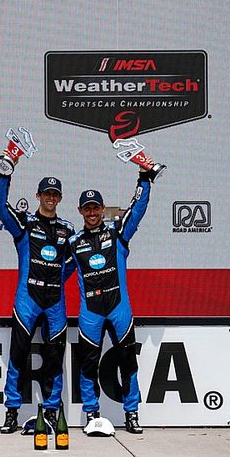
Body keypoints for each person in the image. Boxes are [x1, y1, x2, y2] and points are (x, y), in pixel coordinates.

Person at [68, 168, 156, 435]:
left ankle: (132, 414)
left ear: (103, 209)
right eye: (87, 209)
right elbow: (55, 273)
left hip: (119, 309)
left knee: (128, 363)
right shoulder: (73, 242)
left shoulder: (118, 234)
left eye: (96, 208)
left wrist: (144, 179)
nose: (92, 213)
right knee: (87, 366)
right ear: (81, 211)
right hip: (90, 313)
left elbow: (137, 208)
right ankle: (92, 414)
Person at [0, 173, 75, 435]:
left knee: (54, 360)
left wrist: (59, 276)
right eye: (46, 193)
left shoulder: (68, 229)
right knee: (17, 357)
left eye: (55, 194)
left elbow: (81, 258)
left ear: (60, 198)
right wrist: (6, 172)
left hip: (55, 304)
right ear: (38, 196)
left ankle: (51, 410)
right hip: (27, 300)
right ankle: (11, 412)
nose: (50, 198)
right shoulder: (25, 224)